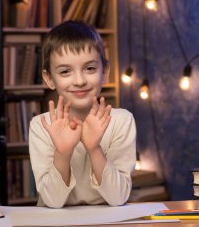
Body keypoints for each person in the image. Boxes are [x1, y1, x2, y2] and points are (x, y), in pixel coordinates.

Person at [29, 21, 136, 208]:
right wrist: (63, 153)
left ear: (105, 72)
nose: (79, 81)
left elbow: (118, 198)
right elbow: (52, 202)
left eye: (90, 68)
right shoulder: (41, 125)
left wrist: (94, 148)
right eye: (65, 71)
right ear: (49, 79)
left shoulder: (121, 121)